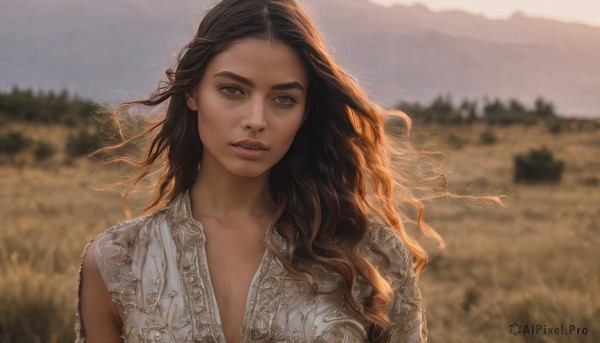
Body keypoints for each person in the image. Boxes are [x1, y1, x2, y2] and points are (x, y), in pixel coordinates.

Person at [76, 0, 445, 342]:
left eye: (284, 99)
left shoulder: (371, 255)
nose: (256, 120)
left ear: (305, 112)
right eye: (232, 90)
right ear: (192, 93)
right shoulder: (117, 260)